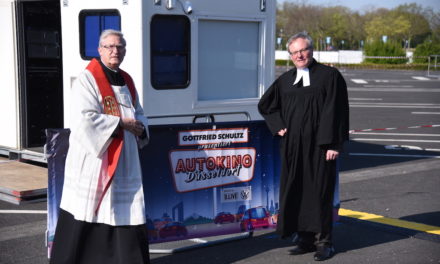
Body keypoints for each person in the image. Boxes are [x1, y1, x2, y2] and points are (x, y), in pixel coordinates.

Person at [50, 29, 151, 264]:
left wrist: (140, 127)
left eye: (120, 47)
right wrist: (121, 124)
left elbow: (140, 114)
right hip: (96, 160)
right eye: (110, 47)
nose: (116, 51)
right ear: (100, 50)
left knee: (124, 211)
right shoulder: (87, 79)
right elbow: (84, 119)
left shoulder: (127, 79)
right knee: (90, 209)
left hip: (125, 161)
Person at [258, 32, 349, 261]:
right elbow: (266, 105)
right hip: (292, 147)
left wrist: (334, 143)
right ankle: (305, 239)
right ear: (290, 55)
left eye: (303, 50)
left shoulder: (330, 76)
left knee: (320, 194)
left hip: (320, 147)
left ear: (312, 50)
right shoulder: (285, 80)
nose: (300, 55)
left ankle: (324, 242)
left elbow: (338, 111)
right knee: (297, 191)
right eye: (295, 52)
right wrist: (277, 125)